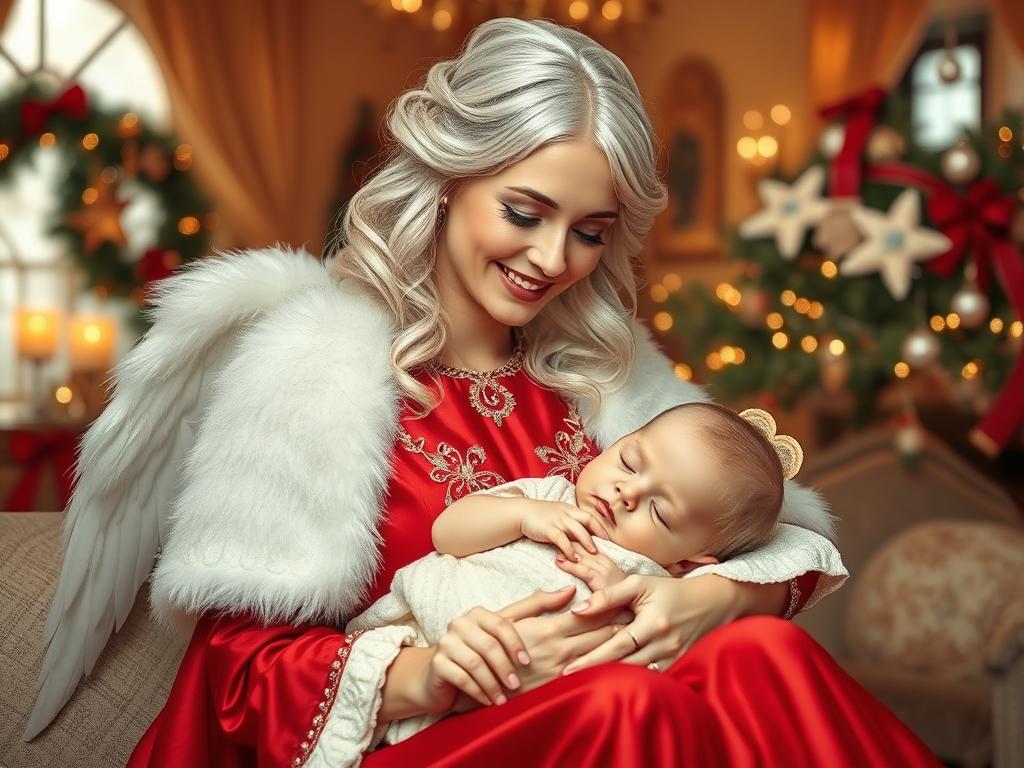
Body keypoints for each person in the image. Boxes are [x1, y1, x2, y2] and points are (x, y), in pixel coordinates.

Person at [27, 17, 941, 768]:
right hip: (419, 739)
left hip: (589, 711)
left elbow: (763, 528)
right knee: (625, 707)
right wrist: (432, 671)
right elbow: (237, 676)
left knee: (761, 651)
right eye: (524, 211)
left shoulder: (604, 375)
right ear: (450, 175)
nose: (552, 260)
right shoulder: (312, 370)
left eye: (590, 231)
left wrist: (717, 601)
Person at [345, 402, 850, 747]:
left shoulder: (657, 578)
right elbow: (448, 533)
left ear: (689, 562)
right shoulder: (550, 498)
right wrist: (523, 517)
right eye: (630, 462)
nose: (628, 494)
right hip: (436, 645)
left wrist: (621, 599)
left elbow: (647, 652)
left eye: (660, 514)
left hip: (548, 706)